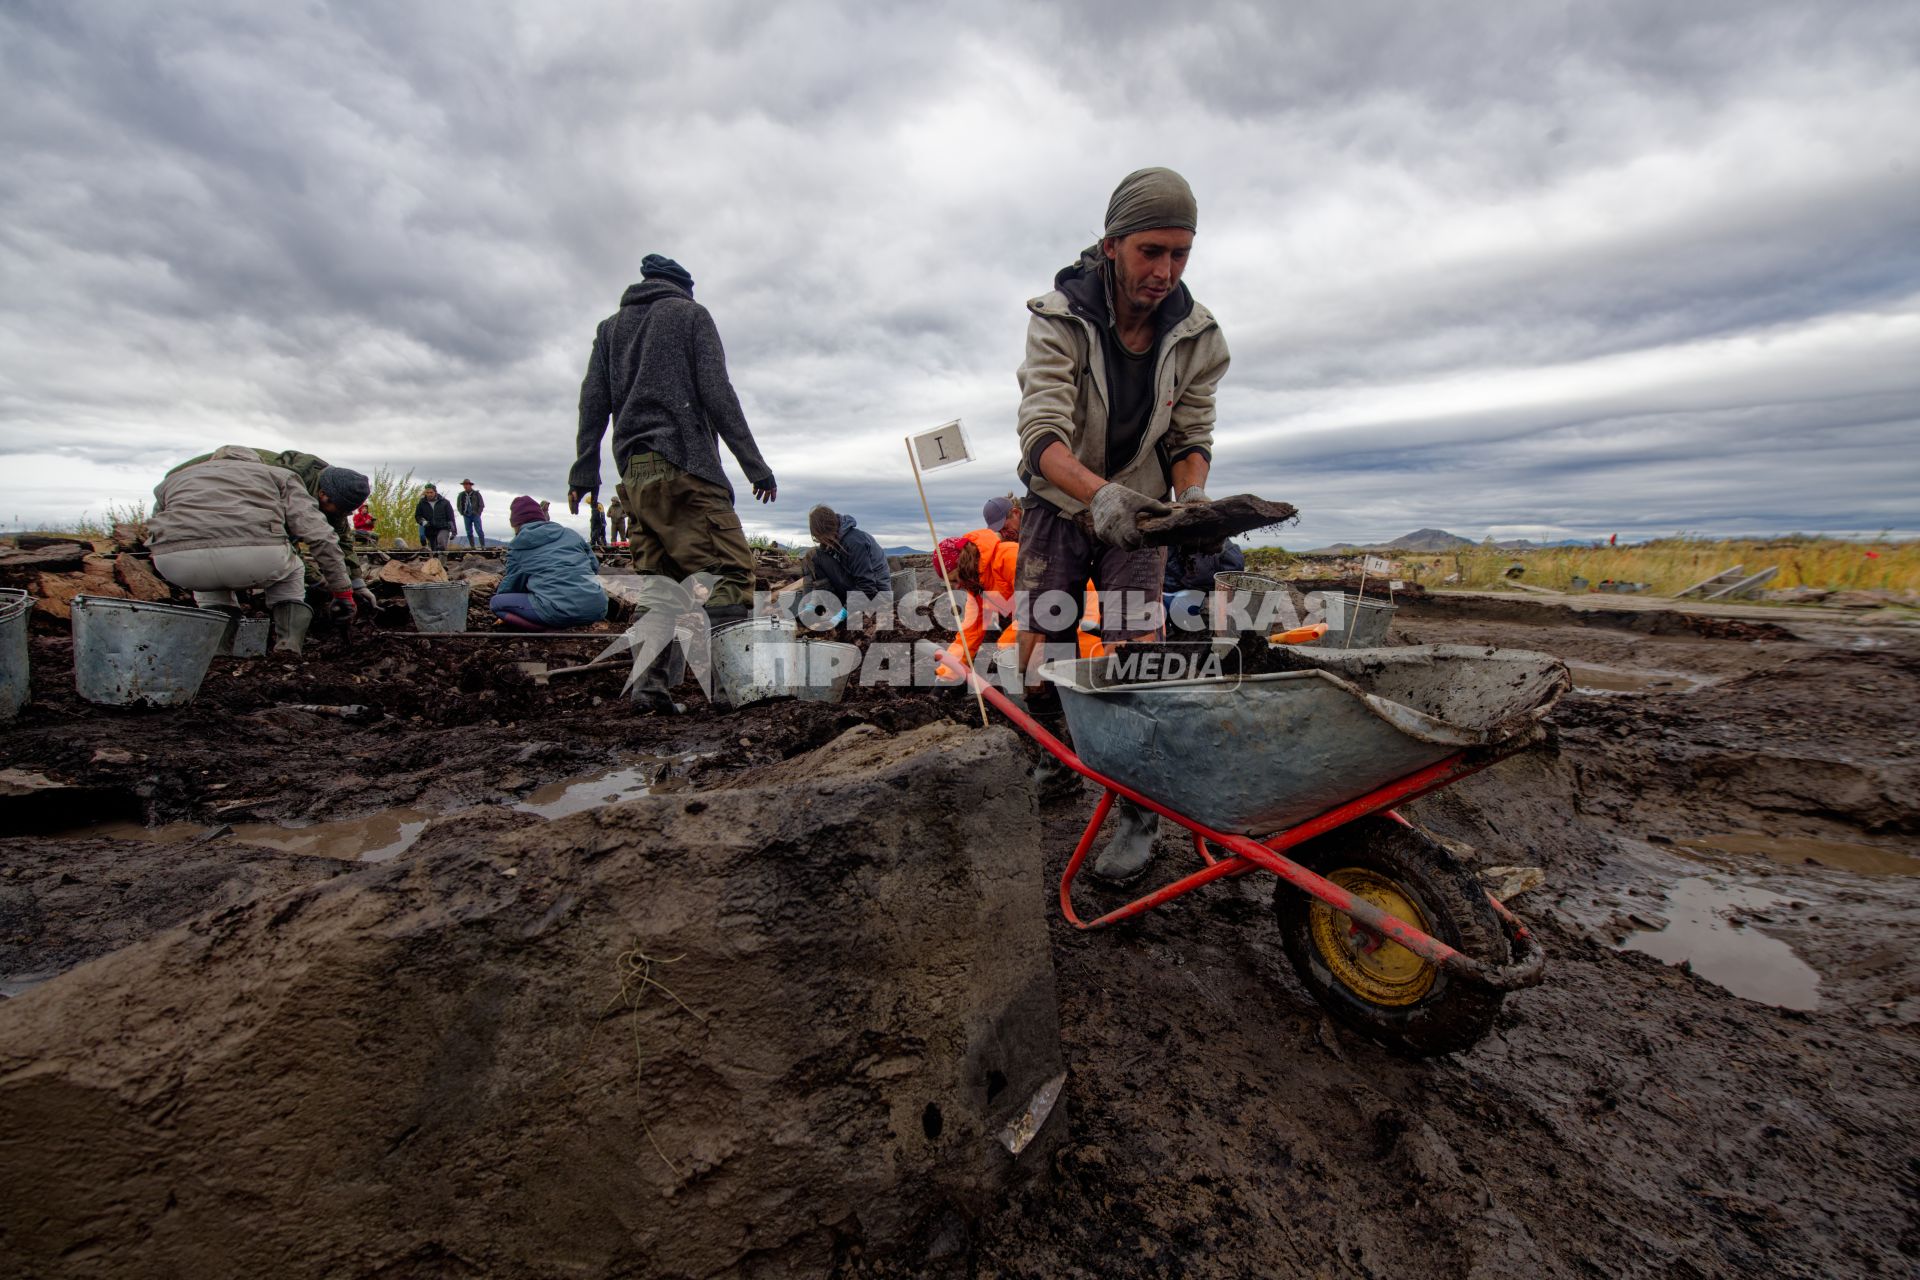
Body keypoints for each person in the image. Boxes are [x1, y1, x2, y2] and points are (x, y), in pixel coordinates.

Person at [1012, 166, 1231, 884]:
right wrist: (1096, 496)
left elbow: (1189, 434)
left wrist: (1191, 498)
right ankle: (1054, 761)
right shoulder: (1060, 318)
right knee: (1041, 646)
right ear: (1113, 245)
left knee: (1138, 653)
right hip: (1059, 502)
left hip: (1142, 514)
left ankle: (1135, 811)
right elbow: (1041, 432)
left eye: (1181, 254)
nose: (1166, 271)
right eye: (1151, 252)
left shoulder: (1198, 336)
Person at [569, 253, 778, 713]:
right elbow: (717, 390)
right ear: (683, 287)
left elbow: (593, 400)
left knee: (662, 586)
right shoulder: (690, 314)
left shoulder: (610, 329)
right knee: (730, 575)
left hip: (635, 476)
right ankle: (735, 691)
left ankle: (648, 691)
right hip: (686, 465)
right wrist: (753, 463)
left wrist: (585, 469)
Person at [150, 446, 357, 653]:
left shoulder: (172, 481)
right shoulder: (279, 475)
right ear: (256, 461)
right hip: (257, 557)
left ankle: (219, 654)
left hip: (177, 564)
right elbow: (319, 534)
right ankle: (288, 649)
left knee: (209, 586)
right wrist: (343, 592)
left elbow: (156, 527)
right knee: (293, 570)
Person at [168, 445, 374, 615]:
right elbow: (287, 543)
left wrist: (357, 583)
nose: (341, 516)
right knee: (285, 567)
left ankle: (225, 624)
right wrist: (322, 582)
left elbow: (341, 537)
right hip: (208, 514)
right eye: (339, 511)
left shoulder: (334, 485)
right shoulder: (282, 481)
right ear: (323, 495)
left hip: (184, 551)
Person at [490, 495, 608, 631]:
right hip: (597, 607)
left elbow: (512, 583)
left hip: (558, 611)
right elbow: (594, 566)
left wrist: (505, 598)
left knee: (497, 604)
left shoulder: (518, 546)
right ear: (541, 517)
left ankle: (545, 629)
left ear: (515, 524)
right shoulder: (570, 534)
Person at [802, 504, 889, 621]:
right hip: (856, 590)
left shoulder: (854, 542)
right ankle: (819, 607)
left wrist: (844, 613)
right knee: (812, 556)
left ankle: (837, 610)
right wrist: (810, 604)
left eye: (820, 537)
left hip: (876, 595)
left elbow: (867, 586)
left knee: (815, 556)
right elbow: (816, 575)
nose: (820, 541)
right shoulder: (836, 539)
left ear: (826, 530)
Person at [414, 484, 456, 553]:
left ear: (435, 492)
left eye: (431, 492)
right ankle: (435, 562)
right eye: (427, 493)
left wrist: (454, 531)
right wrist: (423, 522)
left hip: (443, 527)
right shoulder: (421, 503)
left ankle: (442, 563)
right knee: (434, 549)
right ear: (425, 493)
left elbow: (451, 517)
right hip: (430, 529)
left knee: (441, 543)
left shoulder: (445, 502)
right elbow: (418, 516)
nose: (429, 494)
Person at [456, 480, 486, 548]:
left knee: (479, 530)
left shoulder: (476, 494)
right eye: (464, 484)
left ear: (470, 485)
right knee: (469, 531)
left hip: (475, 514)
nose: (465, 486)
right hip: (466, 515)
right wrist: (462, 512)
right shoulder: (461, 495)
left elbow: (481, 504)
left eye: (467, 484)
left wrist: (478, 513)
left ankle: (483, 545)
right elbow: (458, 505)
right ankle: (472, 546)